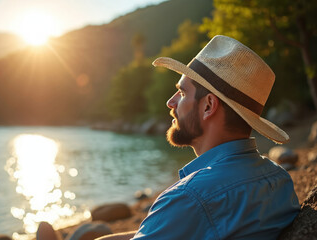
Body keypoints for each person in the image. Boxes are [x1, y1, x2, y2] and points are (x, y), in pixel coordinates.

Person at [38, 35, 300, 240]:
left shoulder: (190, 197)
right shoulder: (279, 179)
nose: (170, 101)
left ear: (208, 106)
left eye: (182, 93)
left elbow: (197, 212)